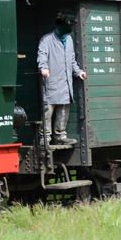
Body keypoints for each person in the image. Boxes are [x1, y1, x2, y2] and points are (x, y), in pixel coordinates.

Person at [37, 13, 87, 145]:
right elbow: (42, 56)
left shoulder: (69, 40)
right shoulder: (46, 40)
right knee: (48, 112)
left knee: (63, 110)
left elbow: (71, 61)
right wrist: (44, 68)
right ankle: (45, 139)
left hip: (65, 84)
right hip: (52, 83)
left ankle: (60, 136)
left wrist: (78, 72)